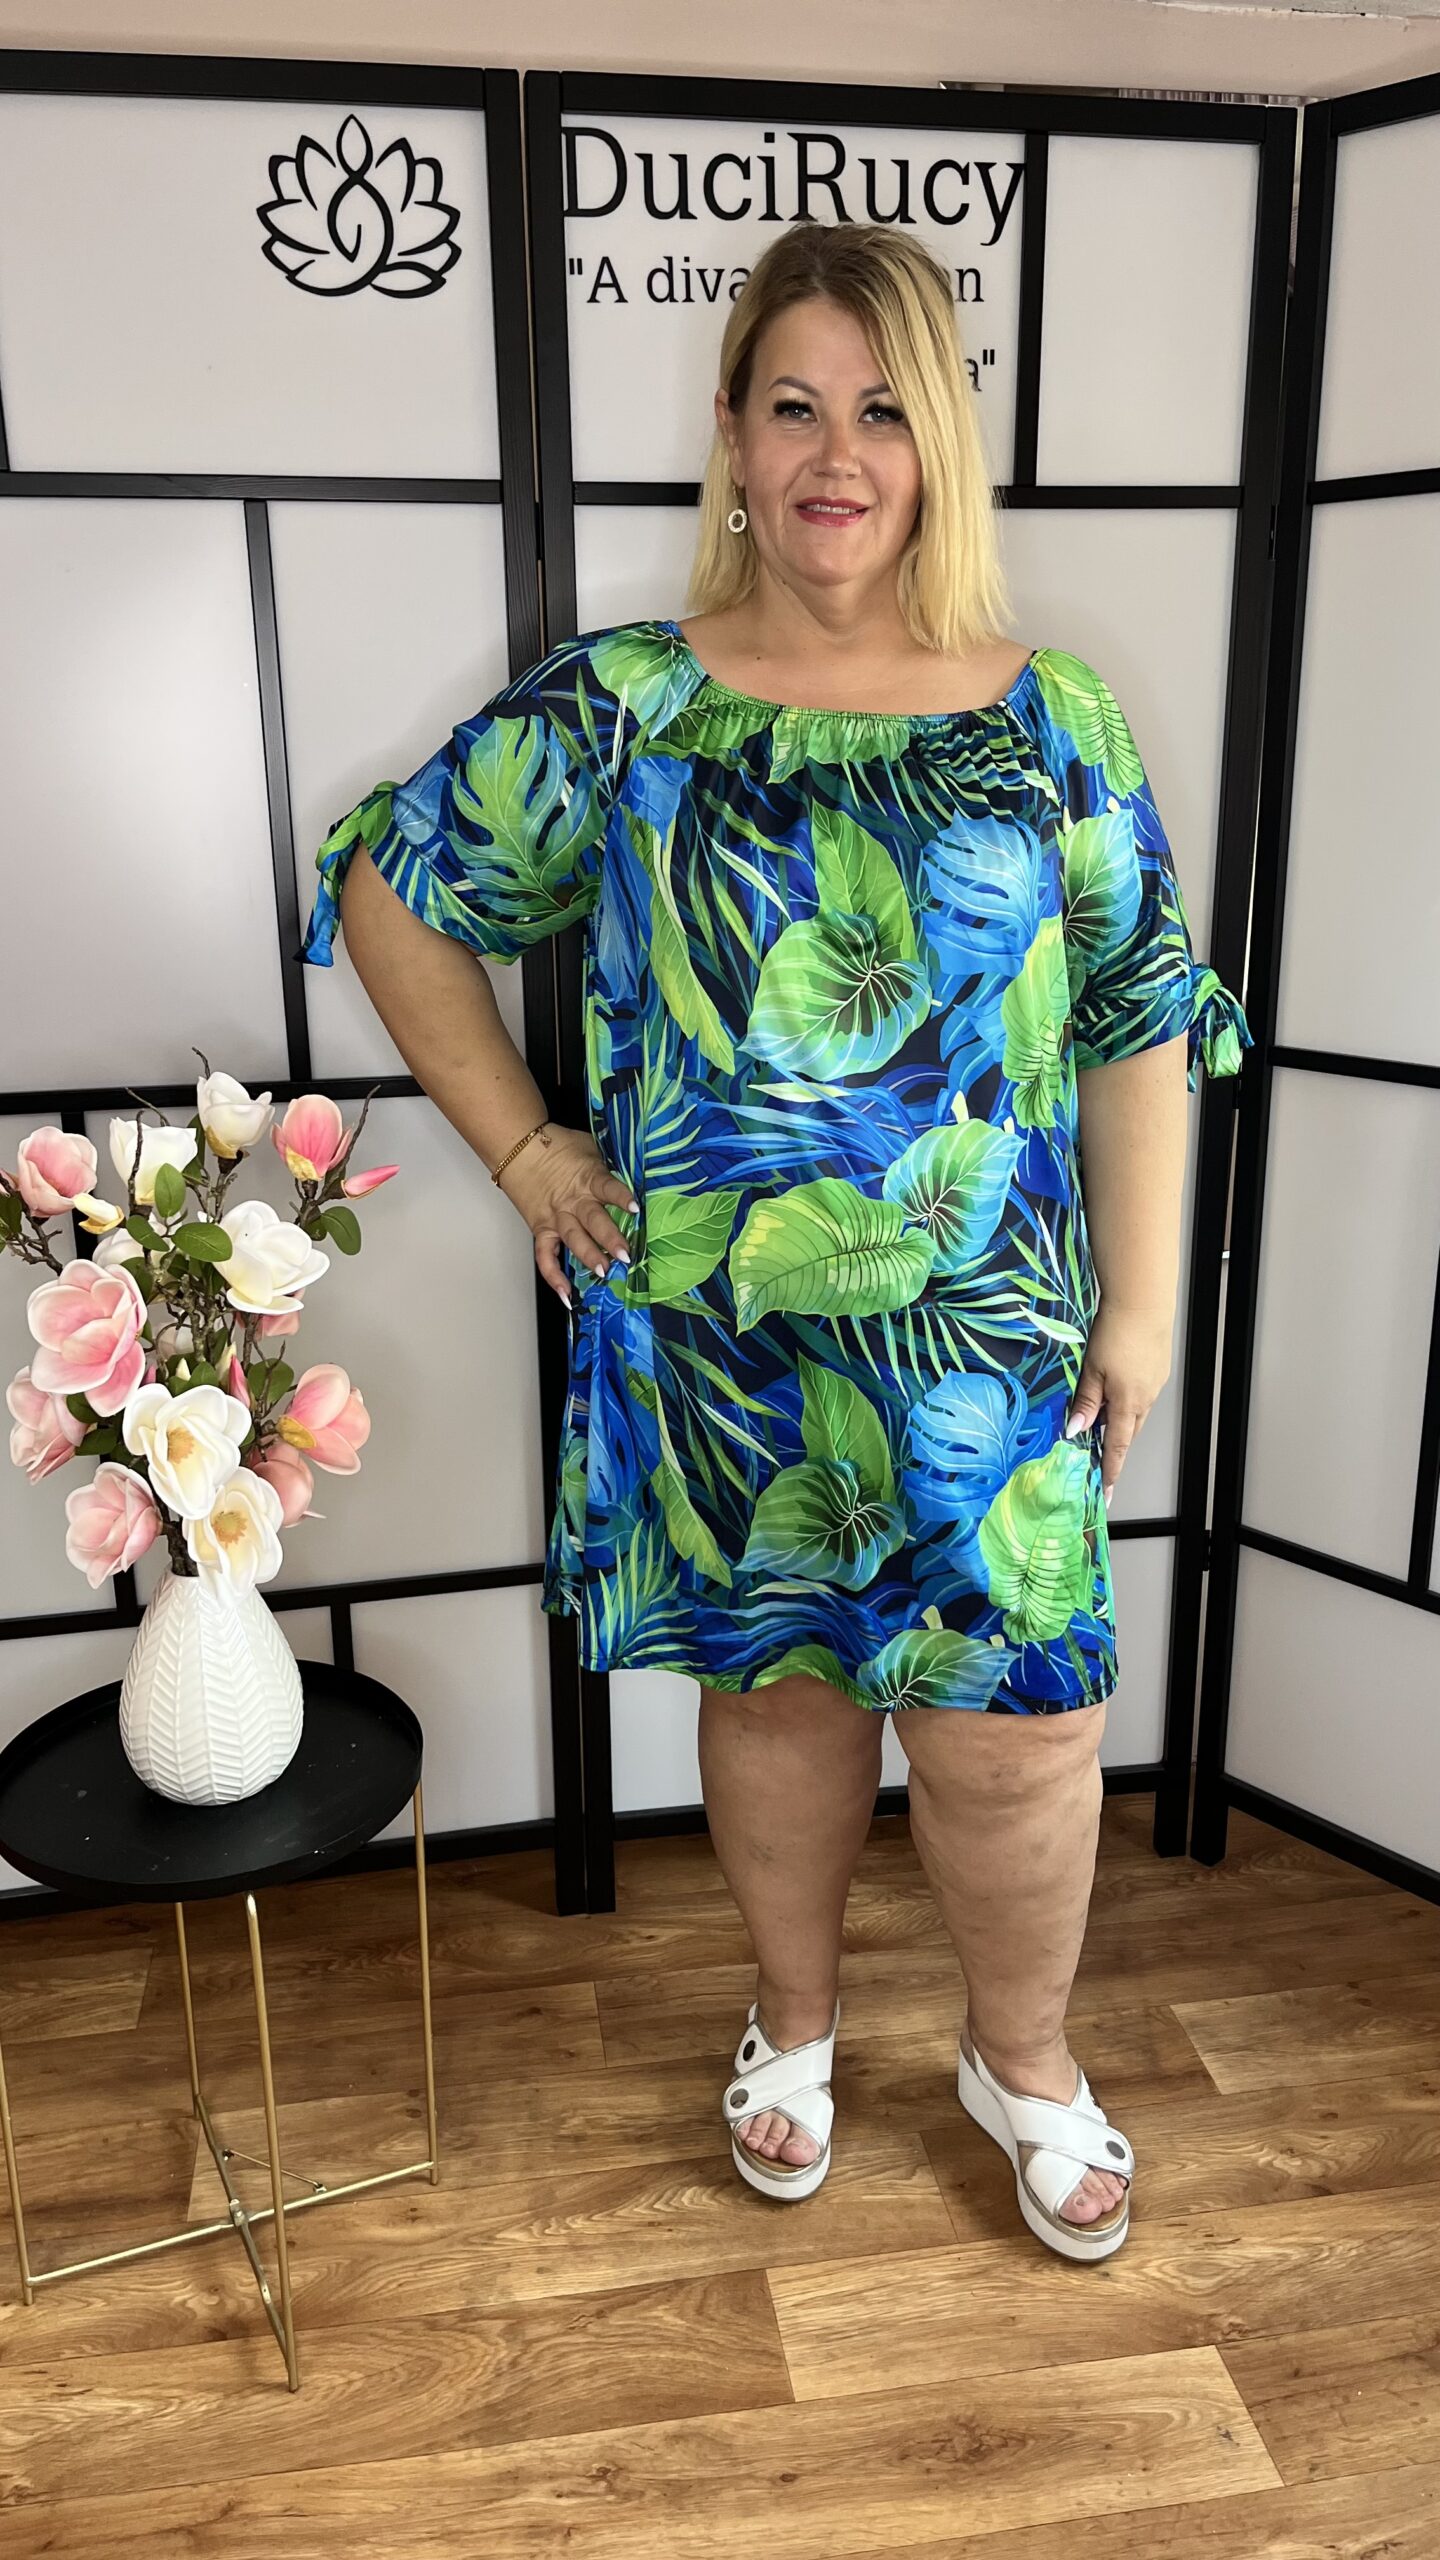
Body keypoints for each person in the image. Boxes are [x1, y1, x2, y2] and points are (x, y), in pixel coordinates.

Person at [300, 220, 1249, 2262]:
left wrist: (1150, 1307)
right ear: (731, 433)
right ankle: (794, 2024)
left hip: (989, 1344)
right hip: (722, 1351)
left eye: (886, 409)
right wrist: (530, 1150)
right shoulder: (632, 705)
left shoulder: (1056, 717)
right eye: (796, 405)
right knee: (784, 1710)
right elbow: (395, 890)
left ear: (939, 447)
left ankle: (1023, 2062)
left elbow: (1137, 1021)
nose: (839, 454)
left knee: (1025, 1739)